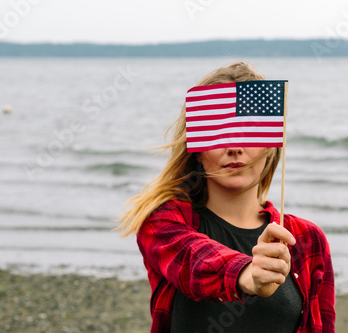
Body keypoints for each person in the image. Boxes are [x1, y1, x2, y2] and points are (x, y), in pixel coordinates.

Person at [117, 62, 335, 333]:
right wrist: (247, 274)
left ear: (270, 147)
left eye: (249, 130)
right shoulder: (164, 222)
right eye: (219, 131)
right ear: (196, 148)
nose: (235, 147)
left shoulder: (306, 238)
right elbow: (194, 262)